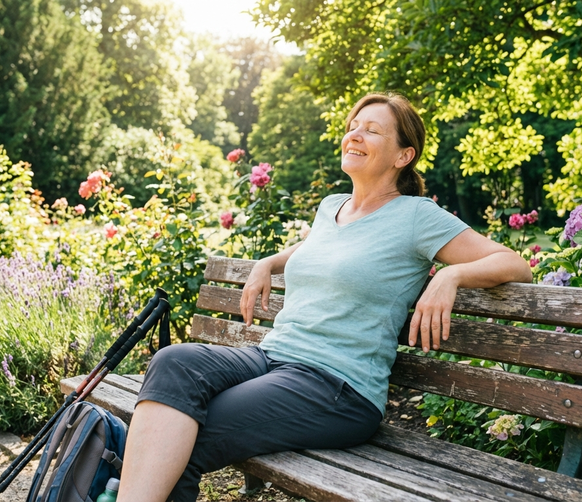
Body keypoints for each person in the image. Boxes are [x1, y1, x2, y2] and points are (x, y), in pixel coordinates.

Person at [118, 92, 533, 502]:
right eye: (353, 126)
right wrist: (269, 261)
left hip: (337, 386)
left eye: (371, 130)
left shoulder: (416, 216)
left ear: (402, 156)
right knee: (174, 362)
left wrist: (451, 275)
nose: (354, 134)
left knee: (182, 437)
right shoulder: (332, 207)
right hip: (274, 357)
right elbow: (320, 251)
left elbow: (515, 263)